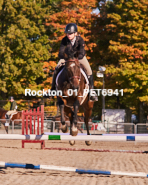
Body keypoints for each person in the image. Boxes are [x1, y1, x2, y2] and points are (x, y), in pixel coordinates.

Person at [51, 23, 98, 101]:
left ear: (75, 33)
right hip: (67, 58)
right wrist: (65, 57)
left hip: (79, 57)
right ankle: (52, 90)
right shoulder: (64, 39)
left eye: (70, 33)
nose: (68, 35)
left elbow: (82, 52)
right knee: (56, 68)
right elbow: (61, 51)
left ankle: (92, 91)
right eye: (67, 33)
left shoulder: (80, 39)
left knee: (89, 70)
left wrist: (76, 59)